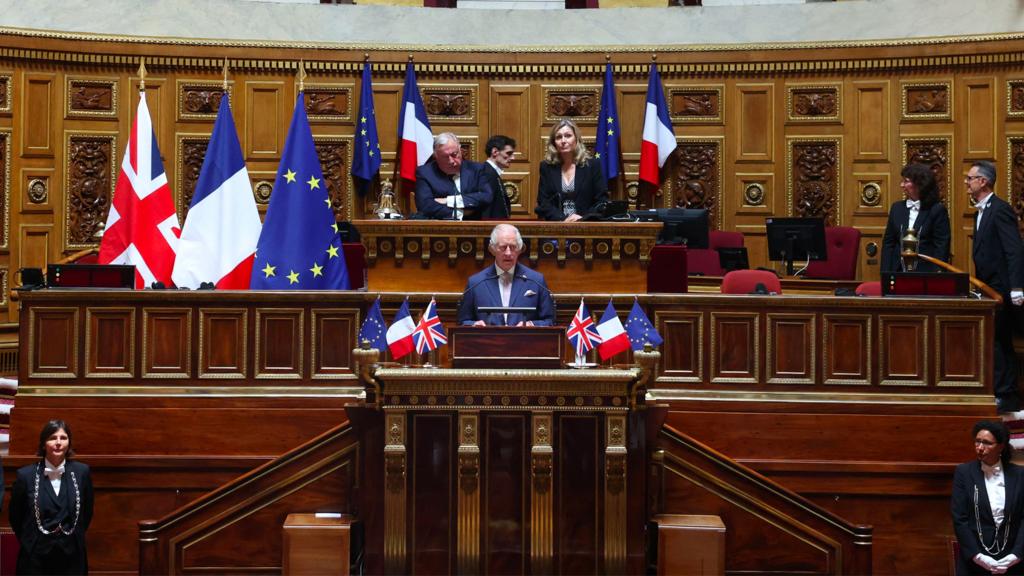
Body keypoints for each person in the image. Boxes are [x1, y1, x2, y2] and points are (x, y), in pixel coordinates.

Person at [966, 161, 1024, 412]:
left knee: (1001, 341)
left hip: (1000, 289)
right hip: (987, 288)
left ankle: (1007, 395)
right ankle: (999, 391)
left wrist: (1017, 288)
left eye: (970, 178)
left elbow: (1014, 250)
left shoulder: (999, 209)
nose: (966, 182)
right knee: (994, 341)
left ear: (983, 181)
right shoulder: (981, 210)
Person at [10, 419, 94, 575]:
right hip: (35, 557)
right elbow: (15, 517)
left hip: (72, 556)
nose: (58, 442)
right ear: (43, 444)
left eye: (63, 438)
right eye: (52, 438)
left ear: (69, 443)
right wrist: (32, 541)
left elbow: (87, 513)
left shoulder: (82, 472)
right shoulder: (25, 475)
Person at [952, 420, 1024, 575]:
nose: (979, 447)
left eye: (986, 443)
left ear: (1001, 446)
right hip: (975, 560)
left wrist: (1017, 554)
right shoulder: (964, 472)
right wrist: (977, 556)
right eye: (977, 441)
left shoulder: (1019, 474)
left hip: (1012, 560)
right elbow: (960, 518)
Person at [457, 223, 555, 326]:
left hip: (524, 340)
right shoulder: (475, 283)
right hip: (488, 340)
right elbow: (463, 321)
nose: (508, 253)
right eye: (503, 247)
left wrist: (531, 324)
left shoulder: (536, 280)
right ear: (492, 249)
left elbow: (549, 321)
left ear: (519, 249)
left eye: (513, 247)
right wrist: (474, 324)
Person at [880, 163, 951, 273]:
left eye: (906, 181)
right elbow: (889, 243)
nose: (902, 185)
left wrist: (937, 276)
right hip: (898, 271)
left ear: (920, 184)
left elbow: (941, 247)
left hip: (925, 273)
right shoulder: (897, 208)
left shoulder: (937, 210)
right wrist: (885, 273)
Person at [534, 119, 609, 222]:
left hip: (586, 227)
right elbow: (543, 202)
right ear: (554, 142)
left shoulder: (592, 165)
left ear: (576, 139)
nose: (563, 141)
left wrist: (583, 218)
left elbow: (602, 201)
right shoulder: (547, 167)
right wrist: (563, 219)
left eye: (568, 136)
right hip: (557, 226)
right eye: (559, 137)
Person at [414, 132, 495, 220]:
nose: (451, 161)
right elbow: (425, 205)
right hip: (440, 228)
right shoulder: (425, 173)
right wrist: (460, 213)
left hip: (475, 227)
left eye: (454, 154)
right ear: (436, 156)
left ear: (460, 150)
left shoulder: (476, 169)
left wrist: (449, 200)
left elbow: (486, 196)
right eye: (445, 157)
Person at [481, 135, 515, 219]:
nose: (513, 158)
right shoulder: (487, 174)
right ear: (495, 152)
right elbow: (486, 209)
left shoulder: (491, 172)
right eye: (509, 153)